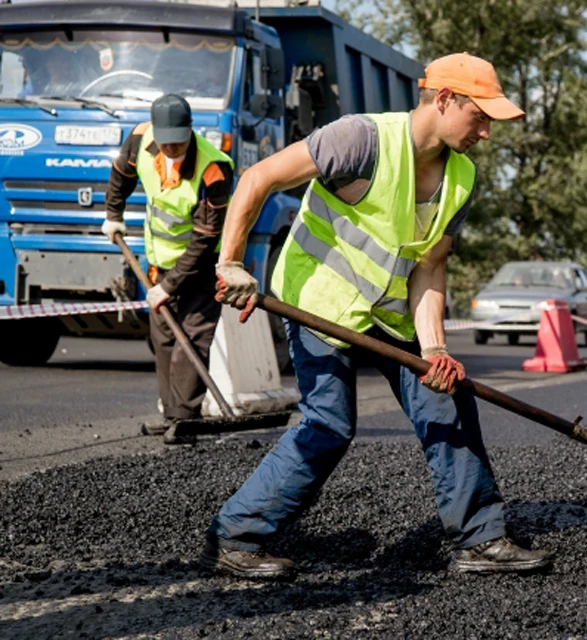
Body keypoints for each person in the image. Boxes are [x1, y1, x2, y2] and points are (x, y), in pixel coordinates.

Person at [202, 53, 555, 580]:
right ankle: (235, 536)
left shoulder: (460, 178)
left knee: (446, 397)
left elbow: (430, 268)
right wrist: (230, 263)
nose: (485, 132)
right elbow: (258, 179)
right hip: (317, 302)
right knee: (329, 424)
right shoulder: (360, 140)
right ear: (443, 100)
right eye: (479, 116)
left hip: (389, 314)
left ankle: (480, 539)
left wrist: (434, 349)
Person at [101, 94, 234, 445]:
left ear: (190, 131)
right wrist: (113, 215)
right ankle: (171, 415)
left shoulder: (214, 168)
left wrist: (171, 286)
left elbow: (205, 239)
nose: (172, 148)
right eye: (166, 142)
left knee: (191, 340)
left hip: (202, 270)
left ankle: (184, 420)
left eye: (179, 141)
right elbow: (120, 175)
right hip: (157, 265)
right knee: (162, 341)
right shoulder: (141, 139)